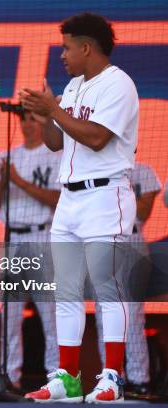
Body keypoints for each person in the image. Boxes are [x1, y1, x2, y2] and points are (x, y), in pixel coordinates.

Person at [20, 12, 139, 403]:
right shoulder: (72, 86)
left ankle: (113, 376)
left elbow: (98, 138)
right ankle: (68, 377)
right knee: (65, 291)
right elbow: (58, 143)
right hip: (69, 198)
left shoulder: (118, 84)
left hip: (106, 196)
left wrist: (54, 111)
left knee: (108, 287)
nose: (62, 55)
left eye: (67, 47)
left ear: (87, 47)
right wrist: (45, 112)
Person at [0, 109, 61, 391]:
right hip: (12, 239)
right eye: (24, 119)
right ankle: (9, 378)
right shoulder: (7, 156)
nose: (27, 124)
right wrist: (6, 178)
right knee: (10, 315)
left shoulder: (56, 154)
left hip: (43, 235)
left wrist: (19, 181)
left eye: (33, 119)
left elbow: (58, 199)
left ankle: (56, 379)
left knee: (51, 316)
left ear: (44, 122)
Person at [94, 161, 162, 396]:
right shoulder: (97, 169)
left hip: (132, 240)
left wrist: (114, 198)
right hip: (103, 241)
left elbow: (143, 211)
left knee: (132, 316)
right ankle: (110, 379)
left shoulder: (145, 171)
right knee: (104, 315)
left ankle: (139, 379)